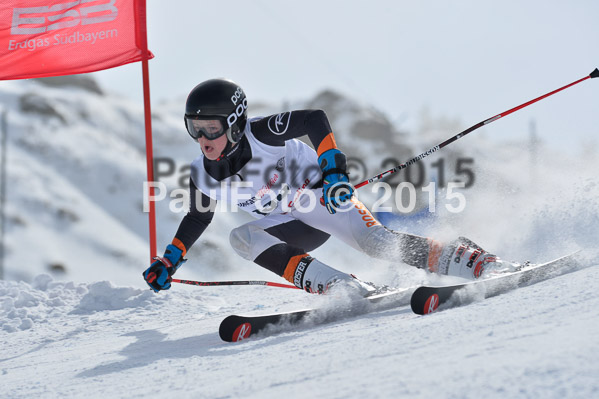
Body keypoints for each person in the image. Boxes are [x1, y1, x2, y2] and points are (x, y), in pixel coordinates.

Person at [143, 78, 518, 296]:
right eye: (195, 128)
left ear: (236, 123)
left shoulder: (261, 133)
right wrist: (170, 258)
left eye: (211, 127)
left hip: (324, 195)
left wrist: (334, 170)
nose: (203, 137)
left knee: (376, 244)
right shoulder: (202, 172)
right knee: (241, 237)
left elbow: (313, 119)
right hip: (291, 223)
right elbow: (197, 217)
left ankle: (473, 260)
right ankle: (341, 289)